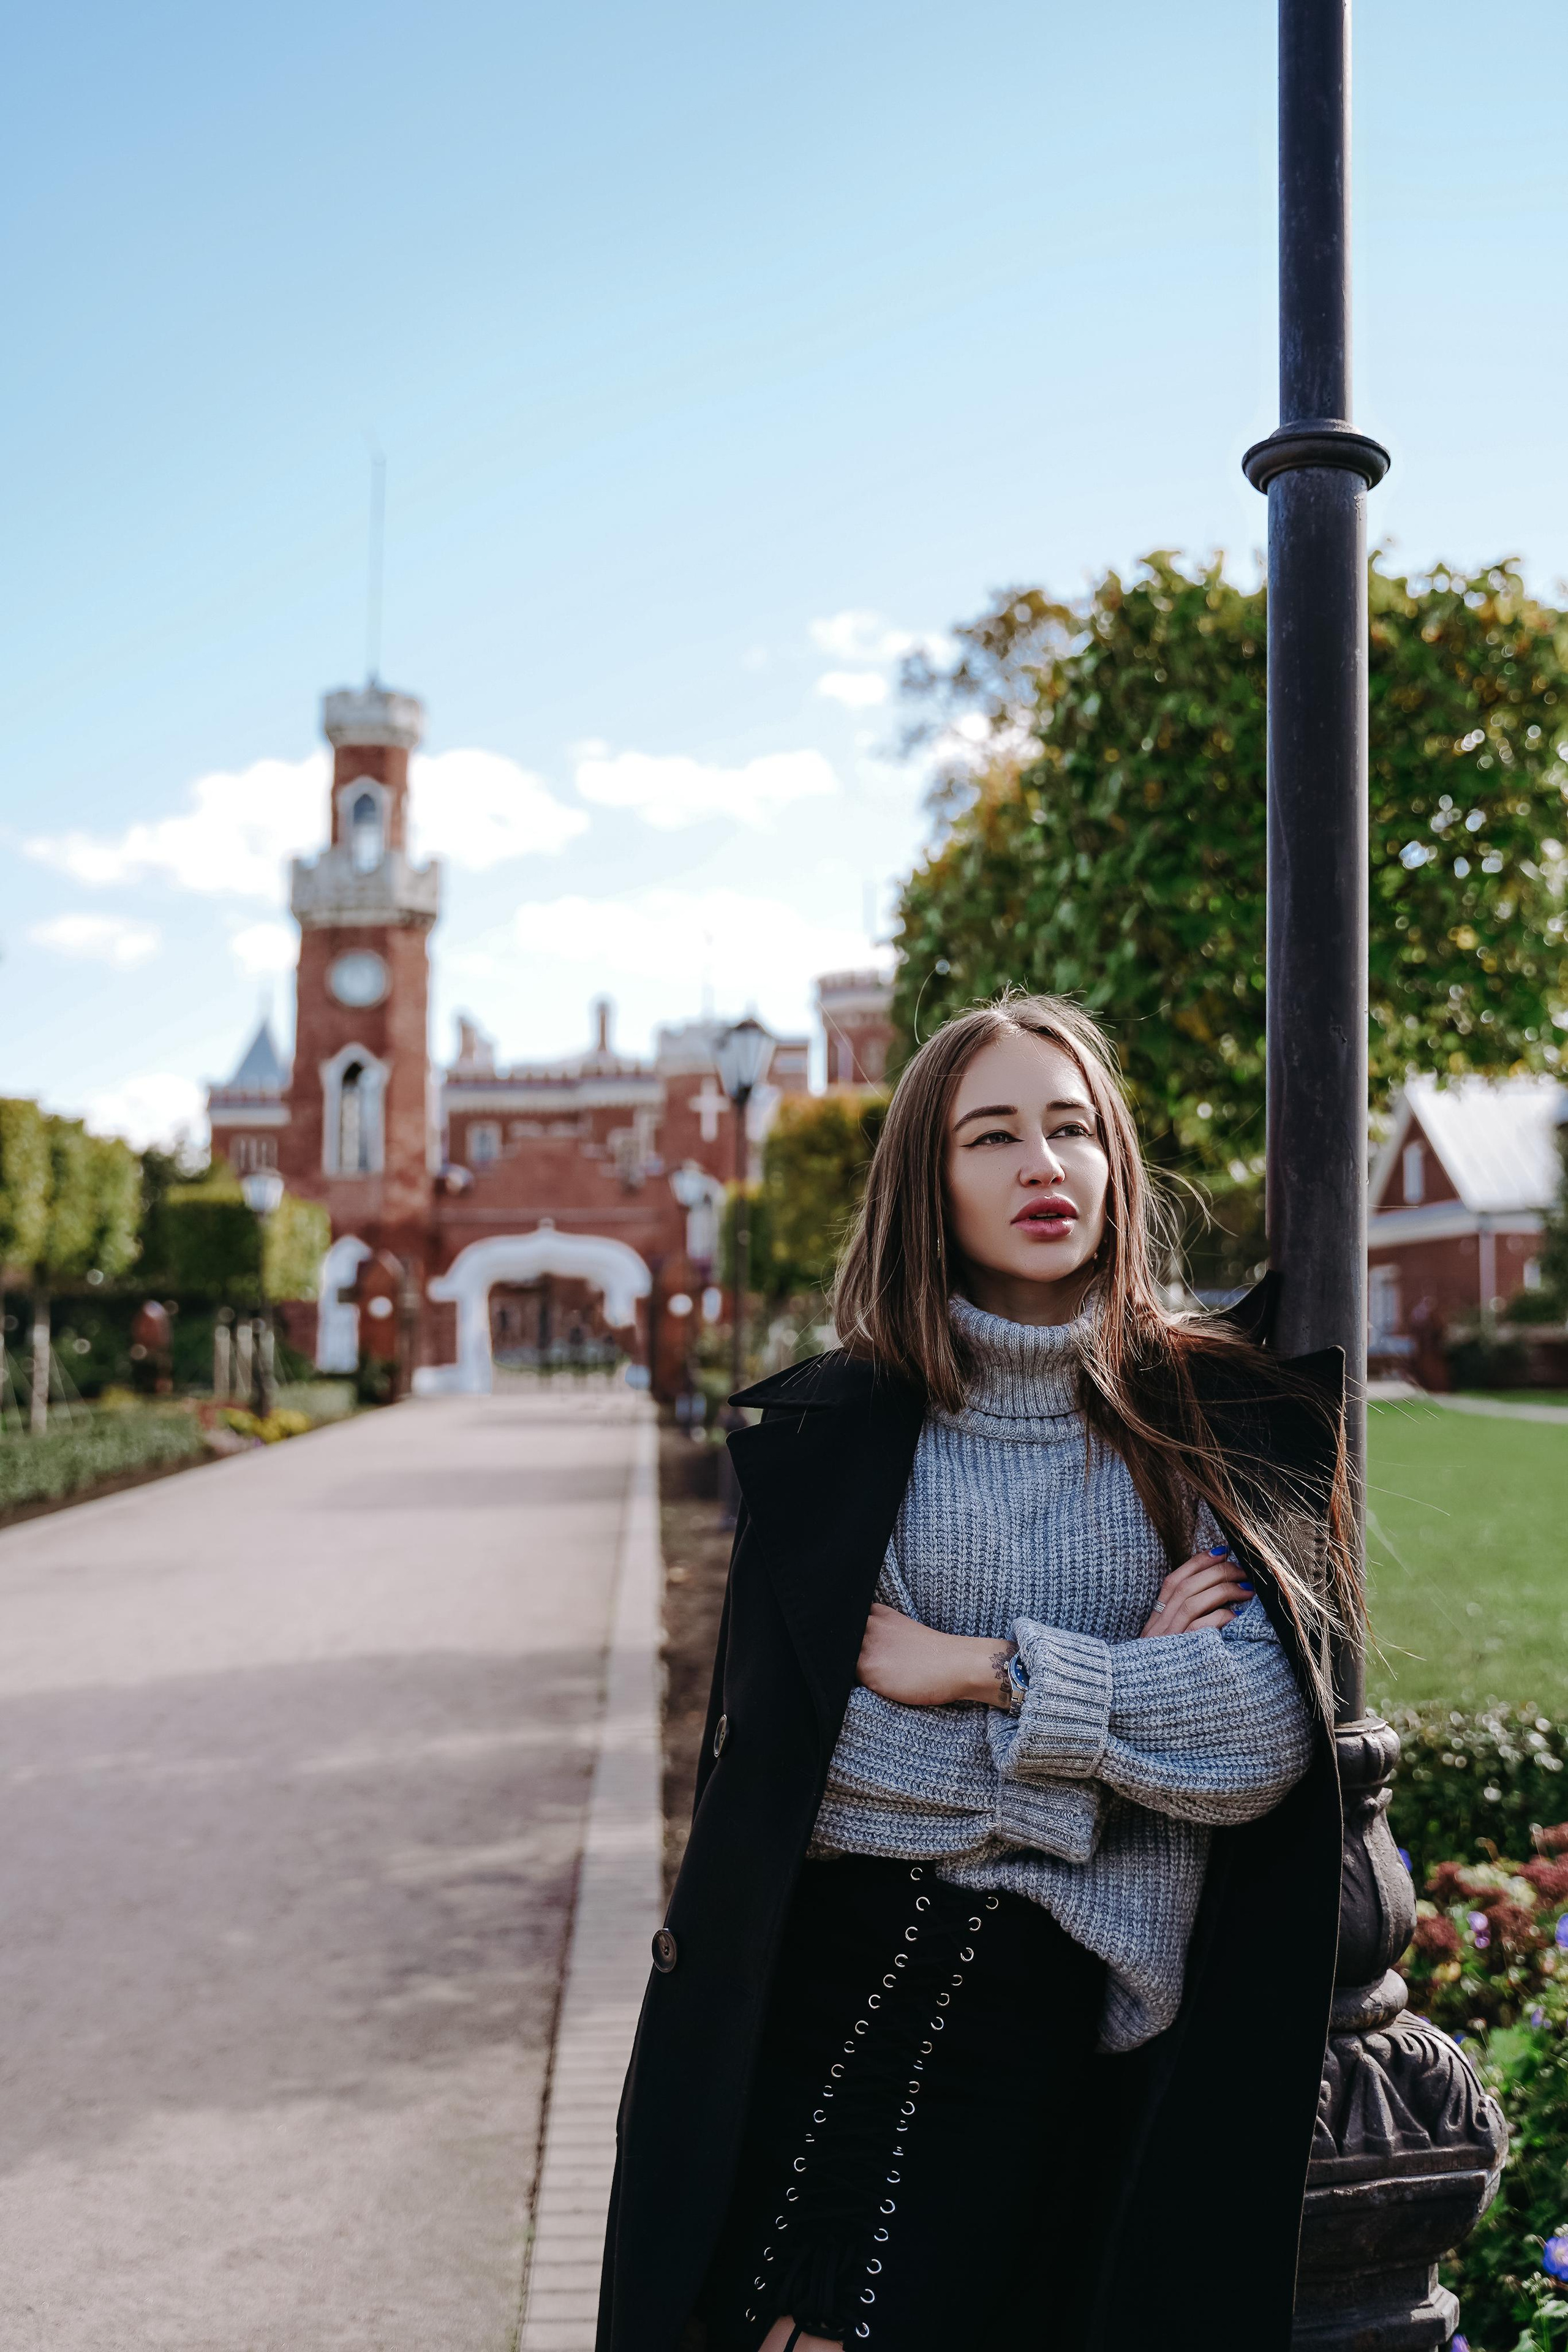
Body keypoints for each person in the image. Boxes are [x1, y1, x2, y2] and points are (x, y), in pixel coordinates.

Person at [598, 993, 1353, 2352]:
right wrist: (1120, 1745)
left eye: (1070, 1129)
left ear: (1116, 1160)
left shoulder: (1208, 1420)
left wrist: (975, 1671)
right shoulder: (843, 1430)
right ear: (927, 1185)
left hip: (1032, 2025)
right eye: (991, 1136)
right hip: (812, 1992)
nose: (1040, 1167)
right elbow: (821, 1777)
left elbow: (1253, 1741)